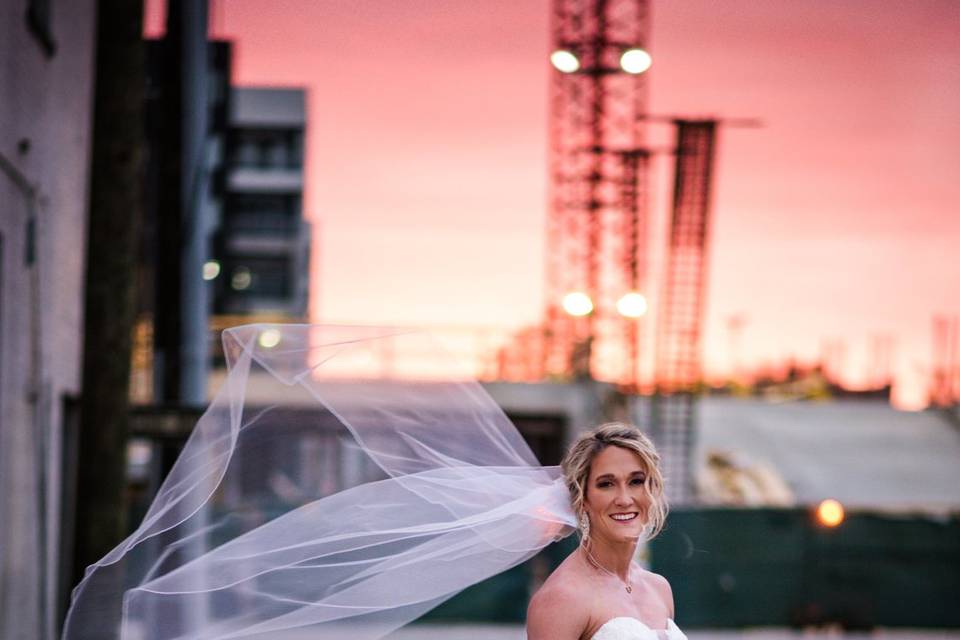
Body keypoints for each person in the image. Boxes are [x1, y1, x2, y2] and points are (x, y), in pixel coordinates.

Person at [527, 422, 684, 640]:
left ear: (653, 490)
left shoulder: (659, 588)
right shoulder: (562, 597)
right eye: (606, 484)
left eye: (636, 481)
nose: (624, 499)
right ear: (582, 499)